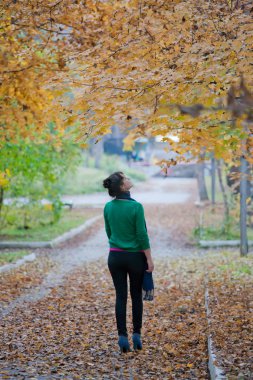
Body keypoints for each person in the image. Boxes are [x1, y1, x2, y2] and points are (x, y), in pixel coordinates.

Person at [103, 171, 154, 353]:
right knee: (136, 297)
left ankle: (122, 337)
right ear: (123, 186)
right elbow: (142, 235)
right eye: (125, 178)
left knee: (120, 296)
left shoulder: (108, 207)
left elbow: (109, 232)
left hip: (115, 257)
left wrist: (119, 243)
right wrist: (149, 258)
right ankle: (137, 335)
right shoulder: (136, 207)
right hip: (134, 258)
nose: (129, 178)